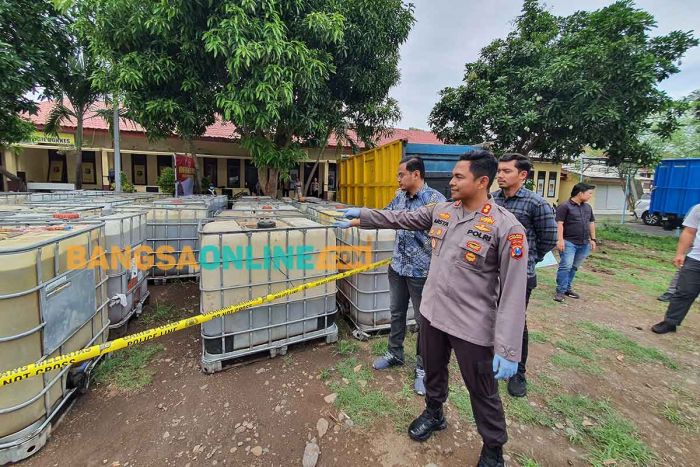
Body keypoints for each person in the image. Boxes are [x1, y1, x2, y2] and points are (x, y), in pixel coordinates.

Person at [336, 150, 527, 467]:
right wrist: (363, 216)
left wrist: (508, 348)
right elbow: (400, 218)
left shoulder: (507, 228)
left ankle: (493, 448)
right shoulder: (442, 211)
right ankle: (434, 413)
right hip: (434, 316)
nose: (451, 181)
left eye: (458, 177)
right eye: (452, 175)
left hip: (472, 327)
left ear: (482, 181)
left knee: (483, 391)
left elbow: (513, 294)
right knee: (434, 372)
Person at [371, 156, 446, 396]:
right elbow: (385, 217)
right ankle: (395, 353)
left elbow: (442, 237)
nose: (398, 179)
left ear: (416, 174)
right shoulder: (399, 197)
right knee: (396, 313)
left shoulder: (436, 201)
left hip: (421, 272)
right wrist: (358, 219)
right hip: (398, 267)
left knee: (424, 321)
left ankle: (423, 368)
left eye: (401, 174)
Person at [492, 153, 557, 397]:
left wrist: (528, 262)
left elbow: (549, 239)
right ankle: (495, 359)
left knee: (516, 323)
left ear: (523, 175)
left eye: (507, 171)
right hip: (492, 274)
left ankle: (518, 372)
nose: (500, 175)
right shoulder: (493, 199)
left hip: (519, 277)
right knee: (492, 318)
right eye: (499, 171)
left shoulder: (535, 203)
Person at [652, 204, 700, 334]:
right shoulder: (698, 209)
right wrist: (680, 253)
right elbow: (689, 232)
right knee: (684, 291)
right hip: (696, 259)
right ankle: (670, 322)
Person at [554, 183, 597, 302]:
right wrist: (560, 240)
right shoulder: (565, 206)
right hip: (569, 242)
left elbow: (591, 223)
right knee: (566, 266)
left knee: (574, 267)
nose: (590, 196)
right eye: (589, 193)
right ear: (580, 193)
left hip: (583, 243)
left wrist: (593, 239)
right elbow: (559, 224)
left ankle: (567, 287)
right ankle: (560, 291)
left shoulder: (587, 208)